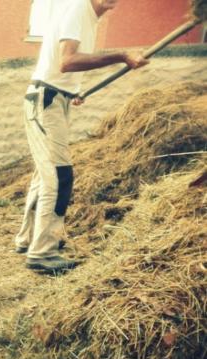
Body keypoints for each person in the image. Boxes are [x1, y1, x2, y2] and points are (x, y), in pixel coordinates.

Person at [14, 0, 148, 272]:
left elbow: (60, 65)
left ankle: (28, 239)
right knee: (59, 175)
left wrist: (71, 90)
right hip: (46, 99)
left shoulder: (89, 16)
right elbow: (67, 61)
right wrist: (121, 55)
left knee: (44, 175)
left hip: (56, 96)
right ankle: (42, 253)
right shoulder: (77, 9)